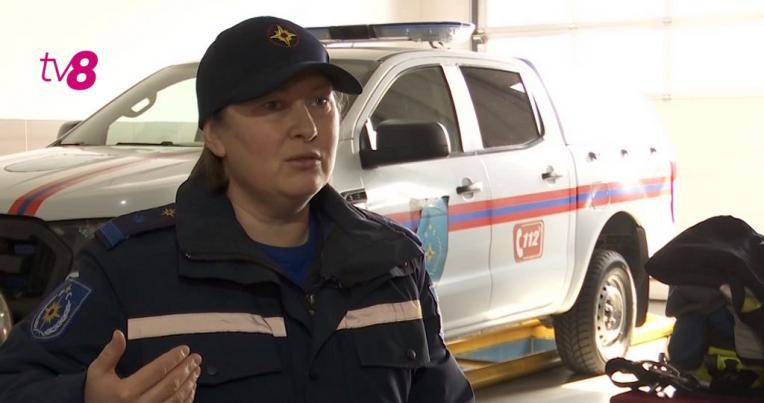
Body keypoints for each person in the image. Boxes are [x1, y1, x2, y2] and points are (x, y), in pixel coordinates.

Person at [0, 16, 475, 403]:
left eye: (320, 101)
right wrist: (85, 398)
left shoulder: (393, 263)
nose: (308, 127)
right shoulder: (130, 270)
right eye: (273, 105)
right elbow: (13, 382)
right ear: (215, 135)